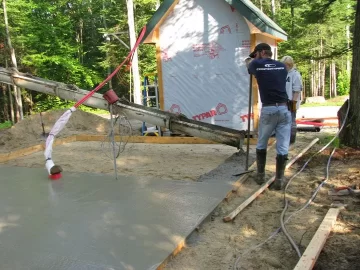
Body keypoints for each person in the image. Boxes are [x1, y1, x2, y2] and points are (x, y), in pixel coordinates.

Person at [245, 43, 291, 190]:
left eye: (256, 53)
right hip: (284, 109)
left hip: (269, 109)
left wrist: (251, 58)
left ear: (262, 52)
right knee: (282, 146)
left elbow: (248, 64)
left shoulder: (257, 65)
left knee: (262, 142)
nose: (255, 56)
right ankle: (279, 180)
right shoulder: (282, 66)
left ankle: (260, 175)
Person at [280, 56, 303, 144]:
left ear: (289, 65)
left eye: (285, 65)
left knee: (291, 120)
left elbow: (296, 90)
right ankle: (284, 138)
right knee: (283, 121)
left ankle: (291, 138)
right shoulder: (282, 74)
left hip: (292, 101)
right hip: (283, 102)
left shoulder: (295, 74)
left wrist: (293, 103)